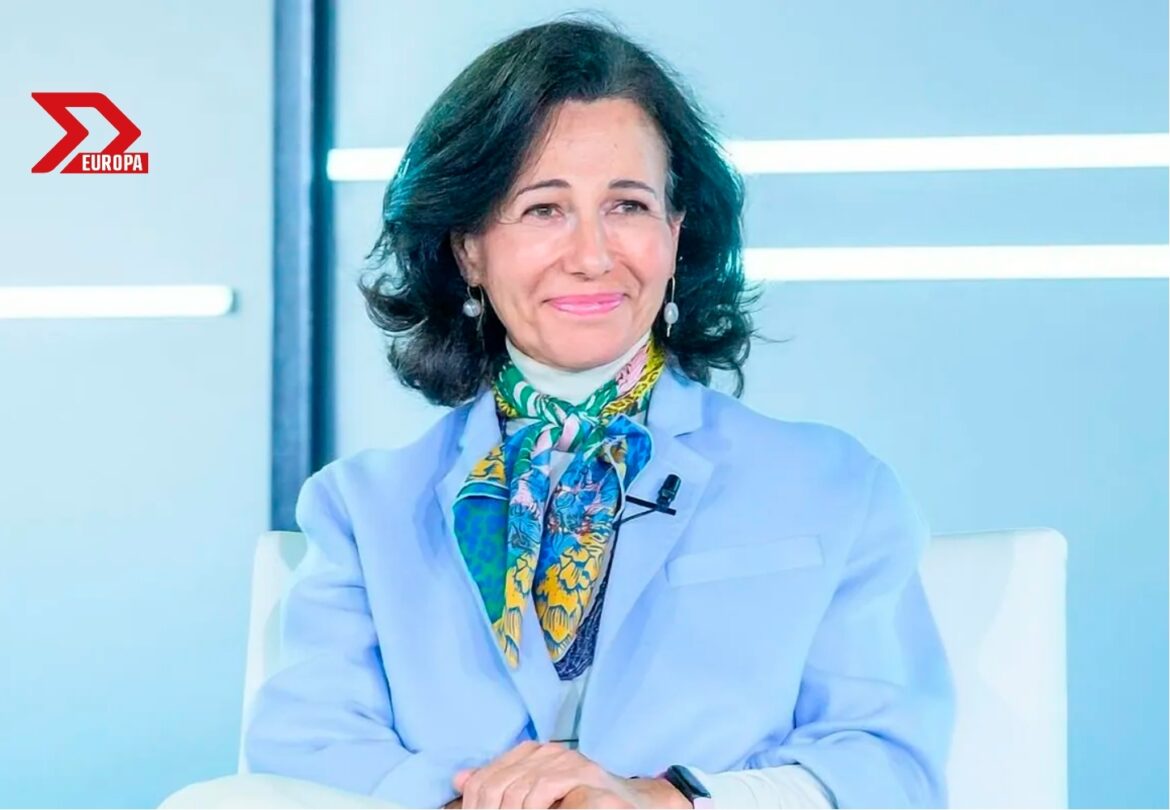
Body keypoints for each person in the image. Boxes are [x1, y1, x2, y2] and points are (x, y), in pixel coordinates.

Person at [162, 15, 953, 810]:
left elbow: (887, 765)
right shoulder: (363, 510)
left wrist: (656, 800)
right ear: (468, 247)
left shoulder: (832, 484)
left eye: (628, 206)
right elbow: (306, 746)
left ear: (676, 233)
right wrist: (505, 800)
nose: (592, 255)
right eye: (544, 209)